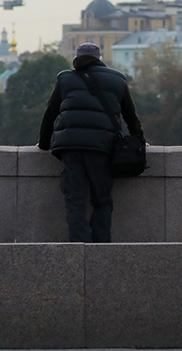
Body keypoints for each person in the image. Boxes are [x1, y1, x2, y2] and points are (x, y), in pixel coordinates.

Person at [37, 42, 145, 243]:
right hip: (101, 147)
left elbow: (50, 113)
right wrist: (140, 141)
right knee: (102, 199)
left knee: (75, 200)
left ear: (77, 58)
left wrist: (44, 143)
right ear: (99, 58)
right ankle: (101, 249)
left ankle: (79, 249)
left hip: (69, 146)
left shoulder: (65, 78)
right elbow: (130, 117)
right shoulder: (118, 79)